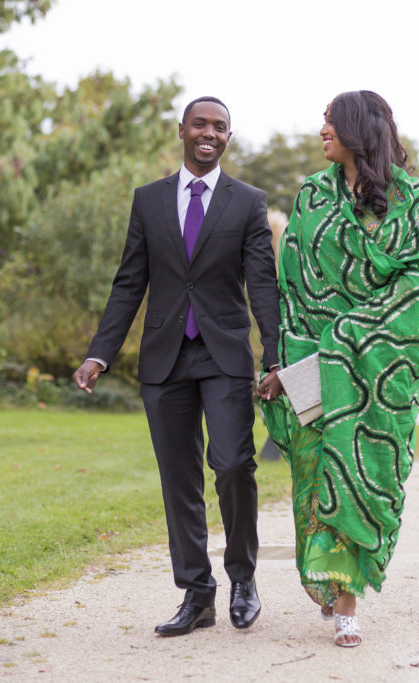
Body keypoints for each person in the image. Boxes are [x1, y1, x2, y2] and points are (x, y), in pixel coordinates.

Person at [74, 96, 280, 637]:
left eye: (221, 127)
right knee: (178, 479)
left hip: (225, 354)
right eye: (201, 124)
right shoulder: (149, 201)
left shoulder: (248, 203)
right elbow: (129, 282)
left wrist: (276, 358)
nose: (209, 133)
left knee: (234, 463)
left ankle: (244, 579)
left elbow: (262, 284)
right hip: (165, 357)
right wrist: (100, 352)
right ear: (182, 130)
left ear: (228, 137)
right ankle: (197, 593)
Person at [257, 90, 419, 647]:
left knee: (359, 473)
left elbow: (418, 281)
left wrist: (348, 336)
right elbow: (293, 284)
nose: (322, 130)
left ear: (357, 128)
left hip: (372, 369)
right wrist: (288, 363)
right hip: (311, 361)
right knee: (314, 479)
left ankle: (346, 605)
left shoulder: (414, 202)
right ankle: (328, 581)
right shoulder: (312, 195)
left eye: (330, 120)